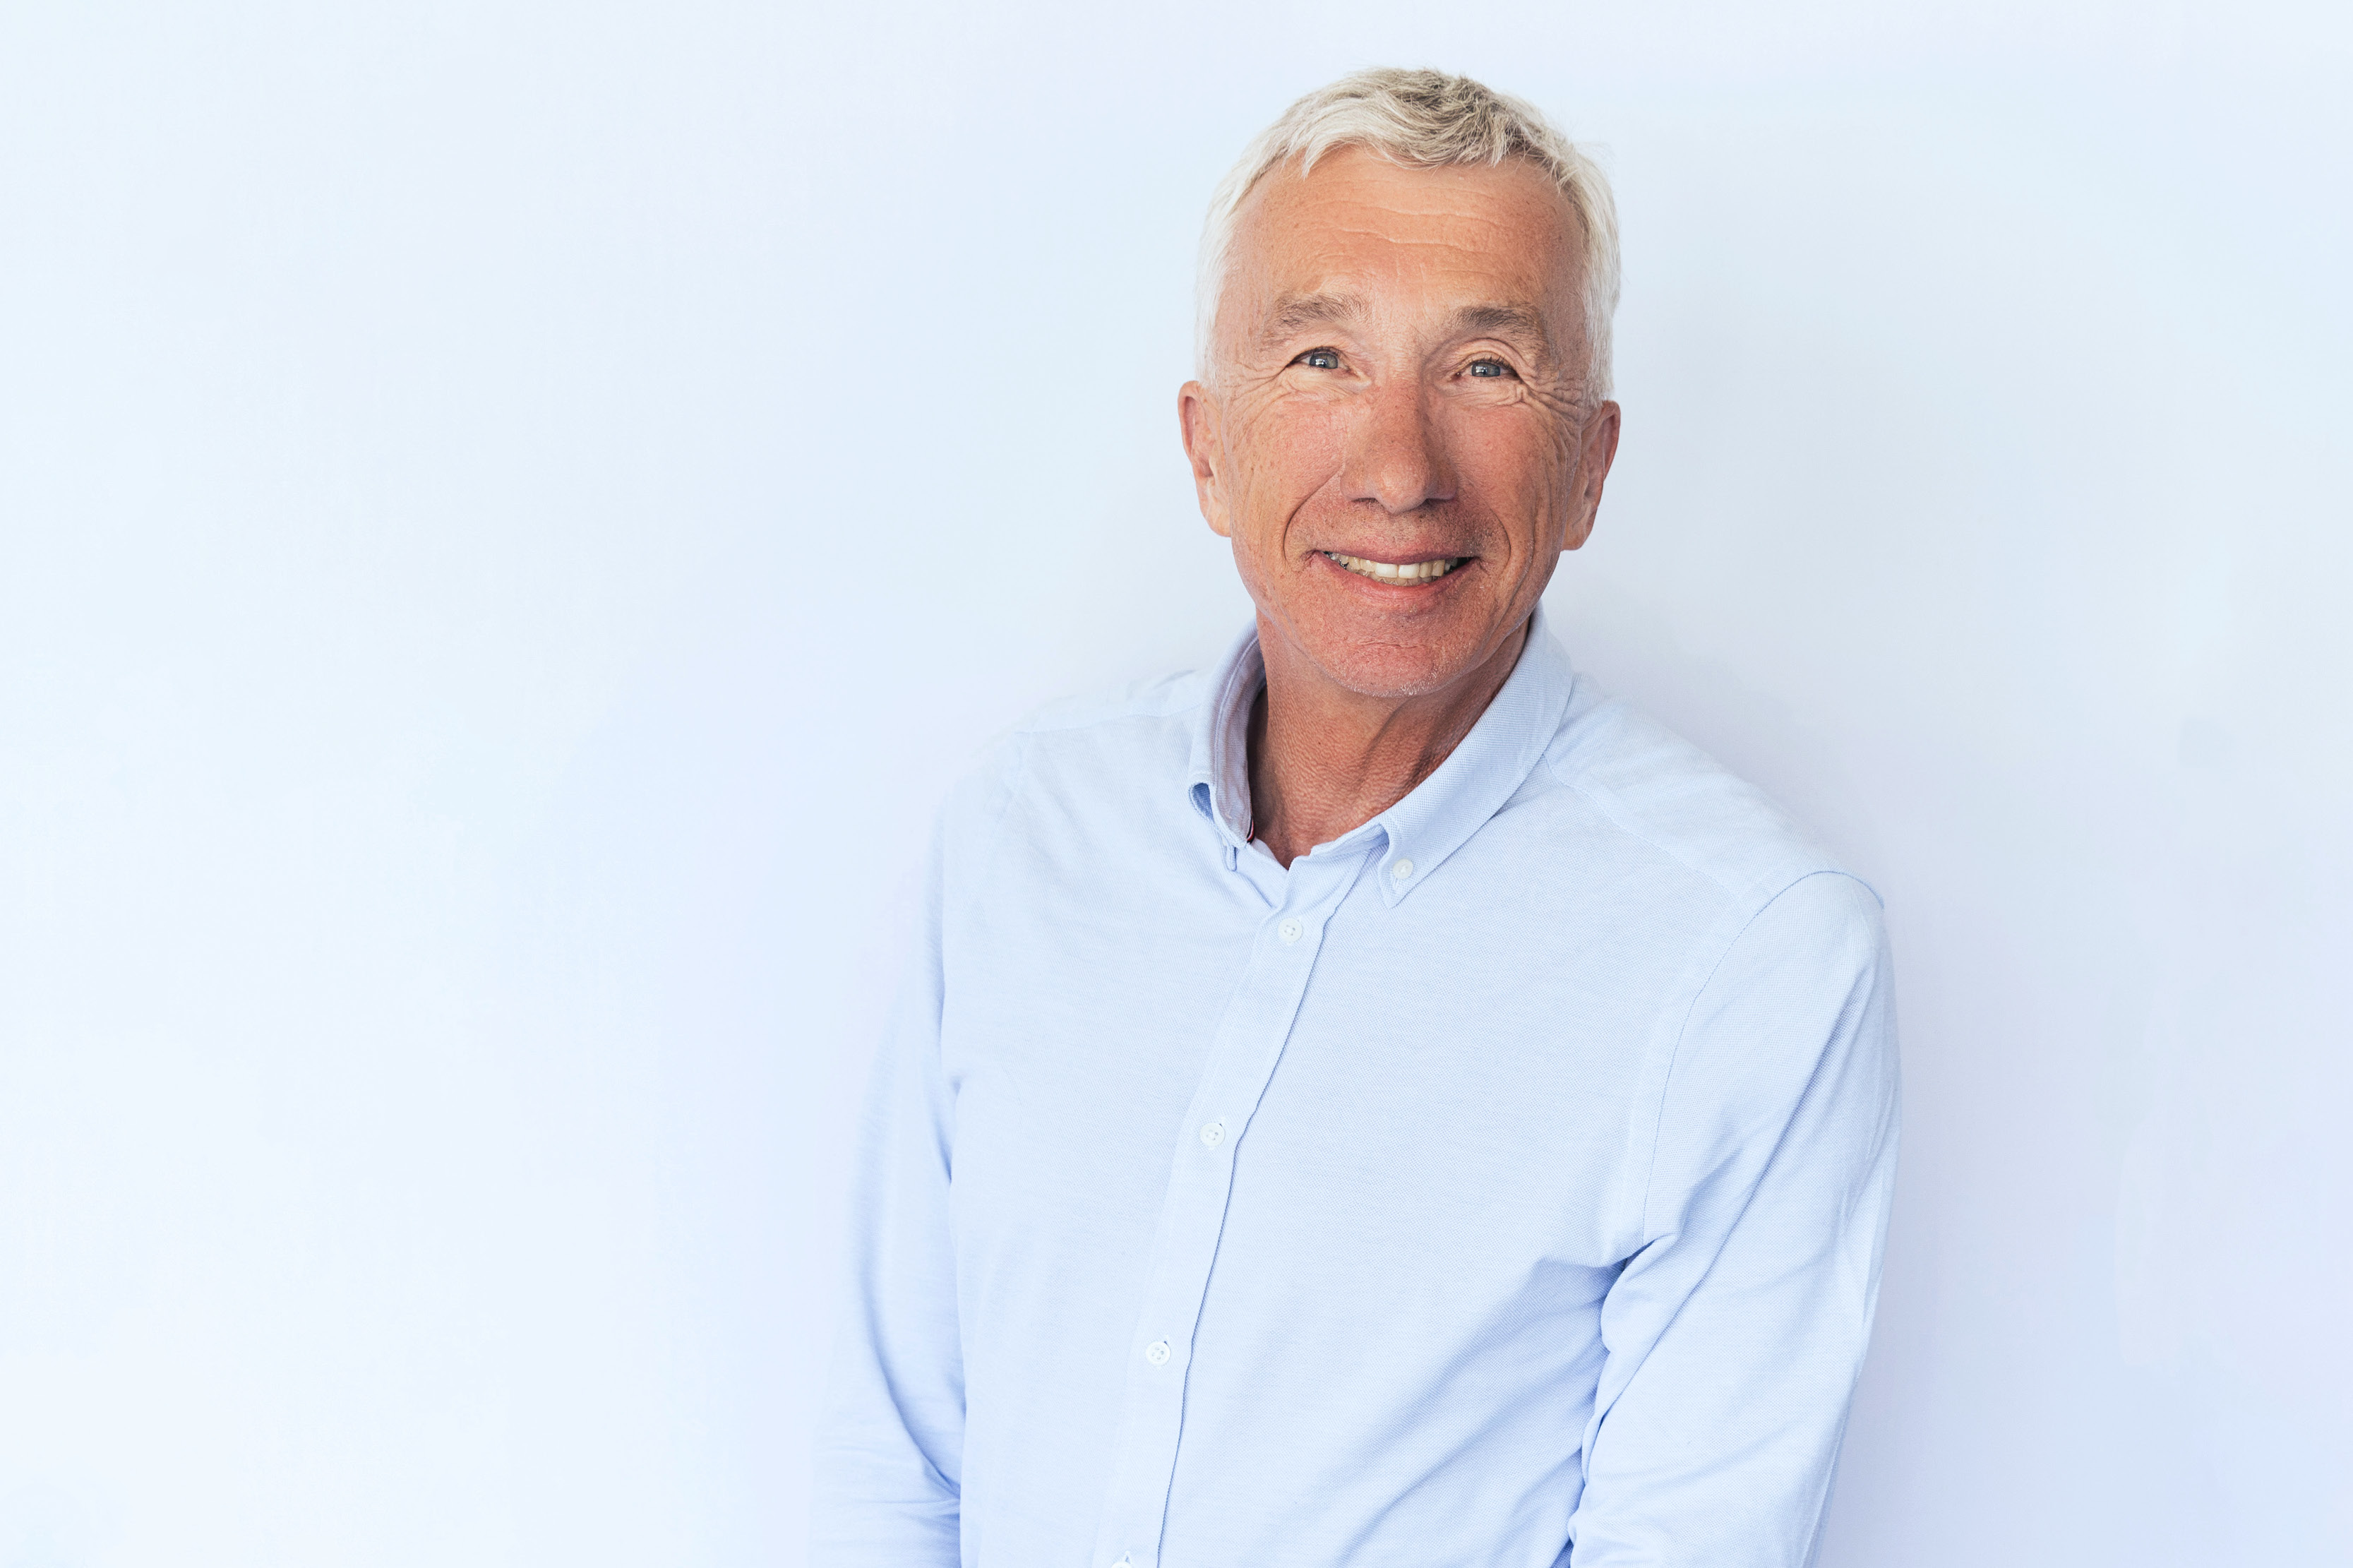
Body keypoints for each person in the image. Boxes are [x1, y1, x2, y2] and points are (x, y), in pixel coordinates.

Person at [811, 67, 1900, 1568]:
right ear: (1207, 448)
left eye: (1486, 369)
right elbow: (895, 1461)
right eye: (1322, 356)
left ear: (1587, 470)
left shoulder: (1753, 956)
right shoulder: (1023, 831)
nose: (1398, 469)